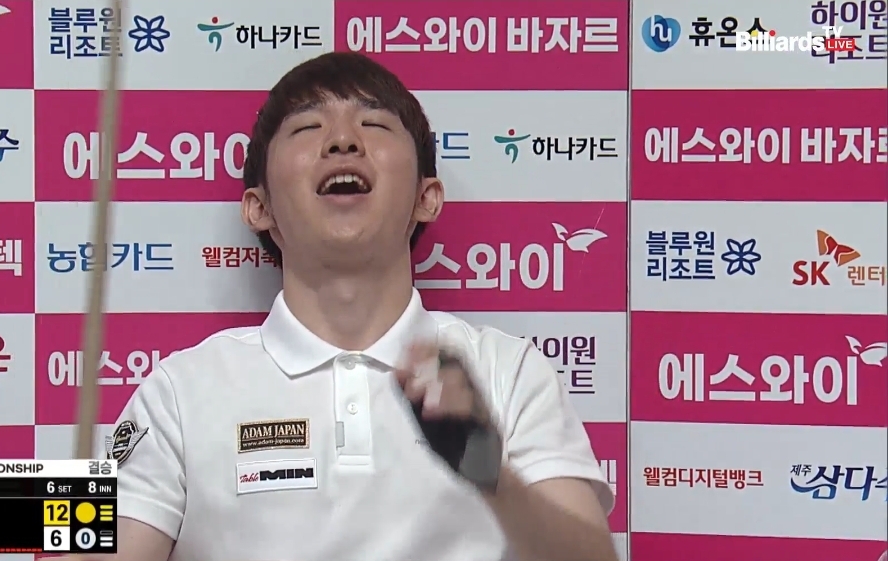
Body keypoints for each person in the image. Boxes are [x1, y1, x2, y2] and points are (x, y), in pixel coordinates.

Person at [75, 52, 617, 561]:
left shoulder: (507, 372)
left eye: (374, 124)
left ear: (427, 197)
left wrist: (491, 474)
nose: (342, 141)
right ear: (259, 208)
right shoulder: (178, 392)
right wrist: (41, 504)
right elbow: (82, 540)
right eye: (308, 128)